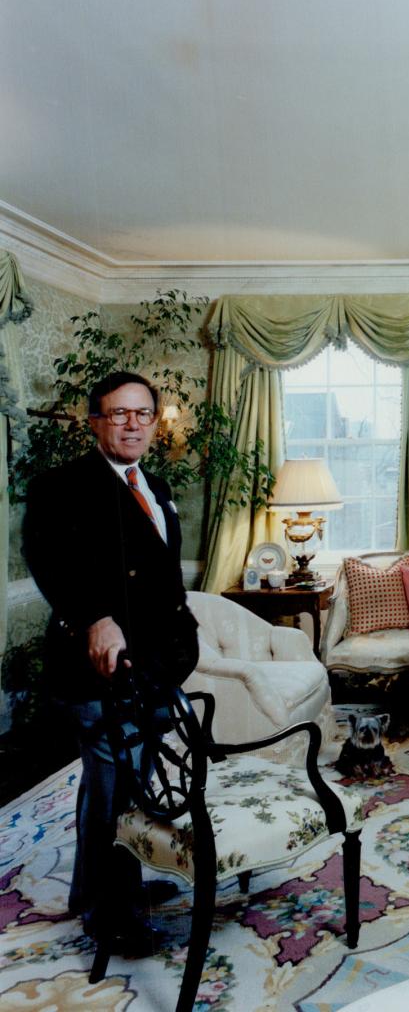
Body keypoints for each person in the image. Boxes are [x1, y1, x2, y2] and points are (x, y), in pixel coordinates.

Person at [23, 371, 199, 955]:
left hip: (149, 667)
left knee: (115, 783)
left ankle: (90, 889)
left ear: (155, 422)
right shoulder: (63, 486)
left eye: (142, 413)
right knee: (119, 788)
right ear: (94, 420)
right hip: (97, 668)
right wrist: (92, 616)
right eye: (117, 413)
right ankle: (112, 917)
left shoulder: (155, 485)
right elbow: (49, 557)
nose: (131, 423)